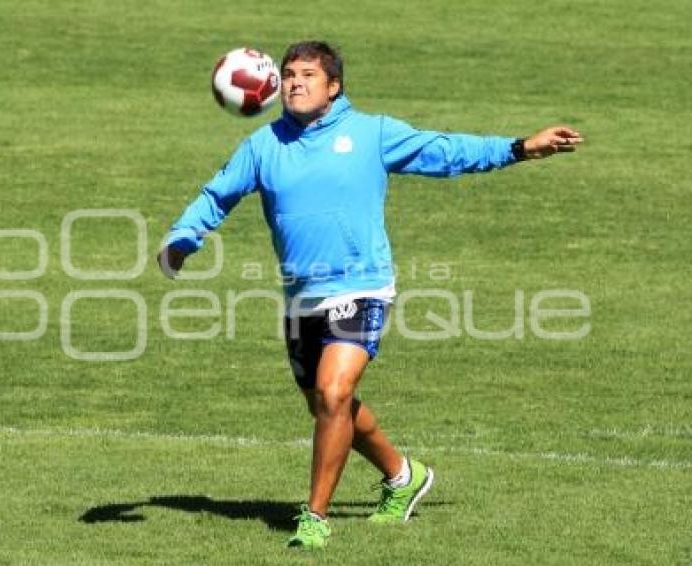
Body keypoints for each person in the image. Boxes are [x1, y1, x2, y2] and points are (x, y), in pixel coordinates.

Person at [157, 40, 582, 550]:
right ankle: (404, 477)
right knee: (329, 407)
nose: (295, 82)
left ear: (333, 87)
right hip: (300, 298)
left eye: (308, 75)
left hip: (362, 285)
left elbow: (445, 150)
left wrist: (518, 148)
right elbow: (217, 195)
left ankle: (314, 517)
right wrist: (183, 239)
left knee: (334, 394)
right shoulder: (263, 146)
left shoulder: (371, 133)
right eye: (289, 73)